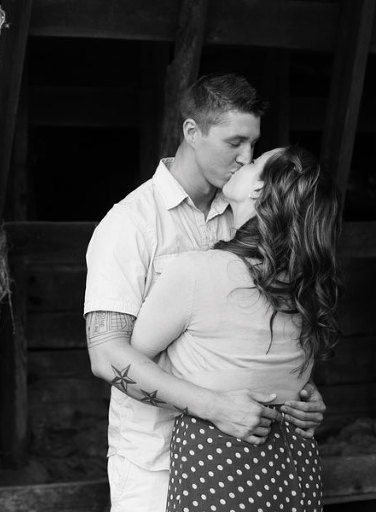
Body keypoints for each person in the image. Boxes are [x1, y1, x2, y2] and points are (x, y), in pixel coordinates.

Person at [83, 74, 326, 512]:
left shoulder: (251, 215)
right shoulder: (130, 224)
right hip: (153, 460)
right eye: (235, 142)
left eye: (253, 145)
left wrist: (299, 390)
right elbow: (106, 356)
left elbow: (257, 330)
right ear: (192, 132)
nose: (245, 156)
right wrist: (213, 406)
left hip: (248, 458)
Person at [129, 146, 340, 511]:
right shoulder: (306, 286)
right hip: (294, 465)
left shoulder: (196, 271)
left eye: (254, 162)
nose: (244, 160)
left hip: (220, 461)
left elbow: (130, 364)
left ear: (259, 190)